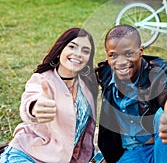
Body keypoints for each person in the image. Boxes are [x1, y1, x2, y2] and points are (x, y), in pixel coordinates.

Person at [95, 25, 167, 163]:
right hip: (134, 152)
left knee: (165, 117)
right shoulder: (106, 74)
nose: (121, 62)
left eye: (128, 54)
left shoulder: (158, 71)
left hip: (165, 146)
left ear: (140, 51)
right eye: (113, 55)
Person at [0, 28, 99, 163]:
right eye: (72, 46)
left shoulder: (86, 85)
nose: (78, 54)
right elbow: (31, 99)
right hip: (29, 155)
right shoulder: (43, 80)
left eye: (85, 51)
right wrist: (35, 107)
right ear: (60, 51)